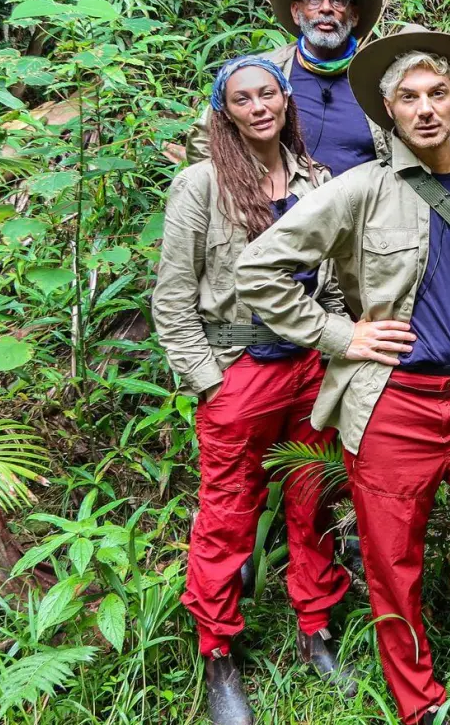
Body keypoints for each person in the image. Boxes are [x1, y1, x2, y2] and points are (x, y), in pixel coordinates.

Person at [234, 26, 450, 725]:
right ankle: (418, 703)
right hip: (394, 405)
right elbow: (258, 268)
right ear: (389, 110)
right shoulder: (359, 191)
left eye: (438, 94)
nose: (425, 108)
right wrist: (338, 333)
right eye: (409, 97)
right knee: (395, 571)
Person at [152, 56, 353, 725]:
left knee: (313, 498)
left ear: (286, 100)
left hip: (310, 368)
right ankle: (218, 653)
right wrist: (212, 382)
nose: (259, 105)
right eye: (244, 98)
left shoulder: (314, 180)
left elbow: (329, 281)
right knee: (228, 513)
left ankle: (316, 627)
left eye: (269, 92)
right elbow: (174, 300)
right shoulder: (200, 184)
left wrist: (337, 343)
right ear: (227, 110)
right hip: (242, 369)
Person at [188, 0, 388, 176]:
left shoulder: (378, 79)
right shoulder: (261, 73)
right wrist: (237, 194)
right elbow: (204, 141)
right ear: (296, 11)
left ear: (353, 16)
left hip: (362, 208)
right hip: (280, 208)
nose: (325, 8)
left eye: (338, 0)